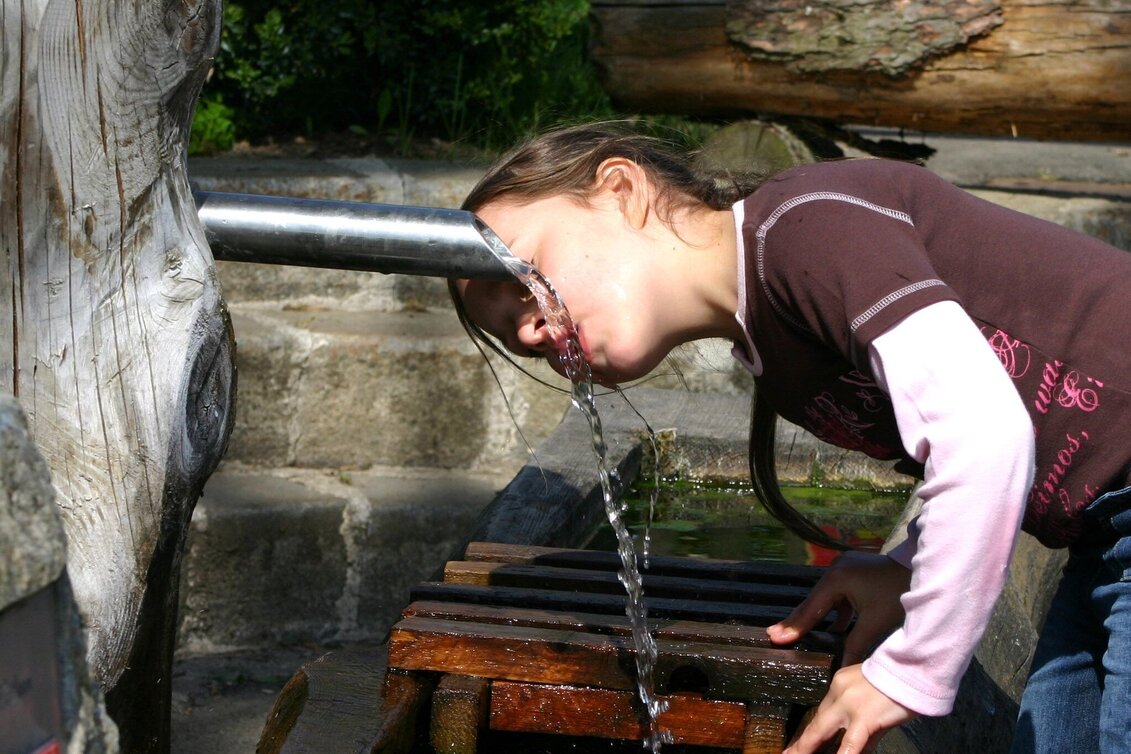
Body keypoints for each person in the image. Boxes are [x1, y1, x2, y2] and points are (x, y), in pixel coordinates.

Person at [449, 122, 1131, 754]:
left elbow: (984, 433)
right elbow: (985, 442)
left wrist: (909, 670)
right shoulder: (775, 355)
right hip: (1103, 534)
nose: (530, 329)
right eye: (514, 334)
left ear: (622, 190)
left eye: (527, 275)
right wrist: (905, 567)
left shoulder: (805, 226)